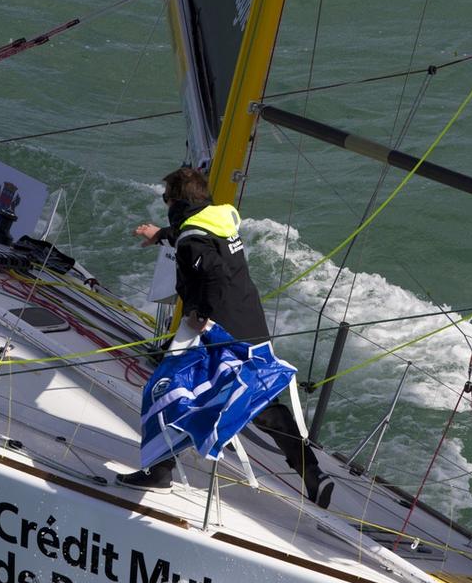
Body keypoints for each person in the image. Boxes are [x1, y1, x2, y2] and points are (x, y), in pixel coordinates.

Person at [118, 165, 333, 508]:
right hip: (251, 326)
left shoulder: (192, 239)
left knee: (166, 390)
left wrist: (200, 314)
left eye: (166, 198)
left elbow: (210, 270)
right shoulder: (218, 221)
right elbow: (198, 242)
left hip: (218, 333)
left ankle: (159, 472)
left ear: (175, 201)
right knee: (257, 401)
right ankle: (313, 474)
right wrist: (161, 234)